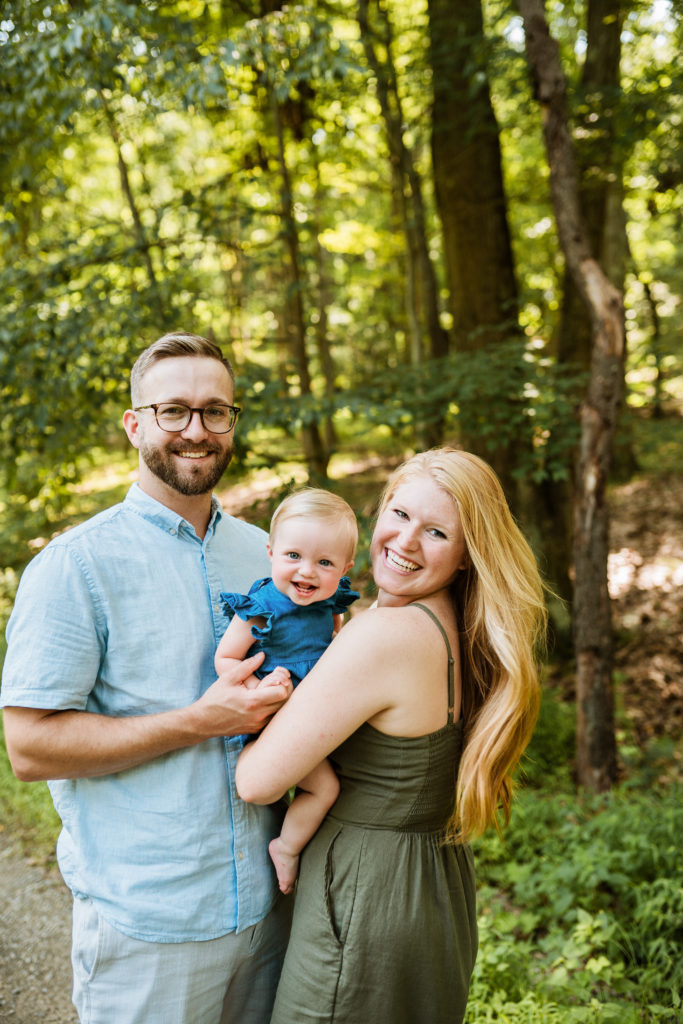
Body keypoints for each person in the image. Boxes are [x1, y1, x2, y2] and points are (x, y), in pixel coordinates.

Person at [0, 331, 294, 1024]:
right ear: (136, 424)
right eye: (174, 412)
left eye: (215, 411)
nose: (197, 430)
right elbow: (30, 749)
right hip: (148, 926)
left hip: (272, 910)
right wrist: (202, 720)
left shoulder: (268, 556)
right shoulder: (75, 566)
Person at [235, 447, 547, 1024]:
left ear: (464, 558)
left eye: (435, 531)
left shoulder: (383, 635)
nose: (404, 542)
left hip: (365, 898)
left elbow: (257, 781)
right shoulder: (457, 627)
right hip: (433, 889)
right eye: (399, 515)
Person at [216, 488, 360, 894]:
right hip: (279, 715)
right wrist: (257, 687)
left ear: (345, 568)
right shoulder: (262, 605)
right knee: (324, 787)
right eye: (293, 556)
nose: (307, 572)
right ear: (271, 552)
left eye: (324, 562)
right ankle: (287, 847)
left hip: (317, 709)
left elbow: (333, 647)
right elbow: (226, 659)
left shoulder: (330, 604)